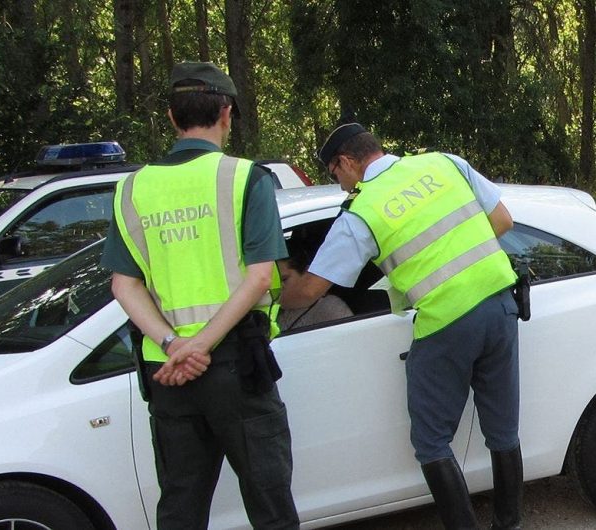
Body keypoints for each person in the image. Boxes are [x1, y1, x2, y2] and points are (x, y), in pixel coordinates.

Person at [281, 121, 523, 530]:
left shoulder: (363, 211)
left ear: (345, 162)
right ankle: (509, 525)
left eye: (334, 174)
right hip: (500, 305)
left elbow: (309, 291)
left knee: (431, 441)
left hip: (447, 321)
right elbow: (502, 221)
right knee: (502, 431)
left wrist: (272, 295)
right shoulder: (444, 162)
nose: (339, 185)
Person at [101, 61, 299, 530]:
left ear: (172, 117)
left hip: (167, 372)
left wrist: (175, 346)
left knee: (181, 505)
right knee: (269, 501)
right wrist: (202, 345)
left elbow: (123, 285)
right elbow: (259, 277)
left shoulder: (131, 188)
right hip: (235, 364)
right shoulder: (245, 177)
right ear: (227, 113)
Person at [278, 238, 353, 330]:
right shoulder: (267, 309)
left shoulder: (330, 309)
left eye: (284, 280)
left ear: (307, 273)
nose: (277, 287)